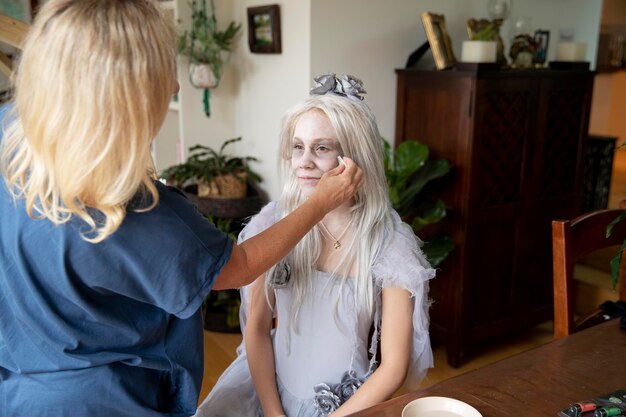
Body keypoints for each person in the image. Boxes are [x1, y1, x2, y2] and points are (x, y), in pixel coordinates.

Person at [0, 2, 362, 416]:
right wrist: (321, 203)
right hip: (106, 400)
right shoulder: (134, 211)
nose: (174, 87)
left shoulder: (10, 130)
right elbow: (239, 266)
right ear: (126, 98)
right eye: (160, 78)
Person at [195, 73, 435, 417]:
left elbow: (393, 367)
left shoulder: (391, 246)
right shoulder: (274, 227)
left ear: (355, 157)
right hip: (268, 391)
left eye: (321, 148)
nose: (304, 161)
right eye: (297, 146)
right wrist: (274, 413)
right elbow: (258, 331)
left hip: (345, 408)